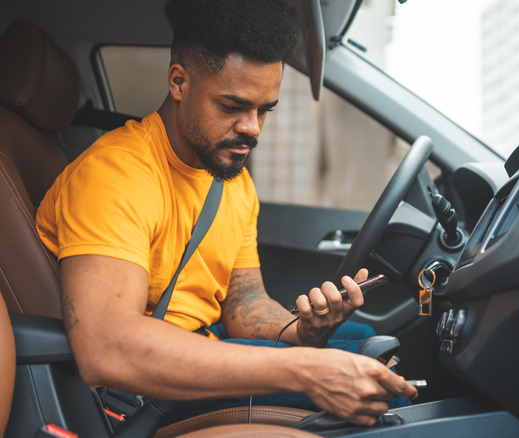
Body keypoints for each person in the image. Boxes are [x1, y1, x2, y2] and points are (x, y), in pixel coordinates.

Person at [34, 0, 417, 426]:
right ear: (179, 82)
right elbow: (108, 348)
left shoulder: (231, 179)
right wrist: (306, 370)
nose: (252, 128)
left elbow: (244, 302)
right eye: (233, 107)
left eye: (264, 110)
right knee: (384, 394)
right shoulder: (115, 174)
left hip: (203, 340)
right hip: (140, 390)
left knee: (366, 342)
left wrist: (304, 332)